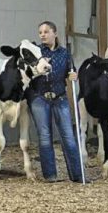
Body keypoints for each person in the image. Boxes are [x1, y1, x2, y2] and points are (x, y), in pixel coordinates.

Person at [27, 21, 87, 183]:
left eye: (46, 32)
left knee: (68, 135)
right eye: (40, 32)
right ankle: (50, 175)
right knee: (45, 136)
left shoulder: (65, 53)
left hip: (59, 97)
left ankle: (78, 175)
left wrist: (73, 76)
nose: (43, 35)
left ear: (55, 33)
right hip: (40, 97)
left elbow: (70, 71)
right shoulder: (37, 52)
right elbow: (29, 73)